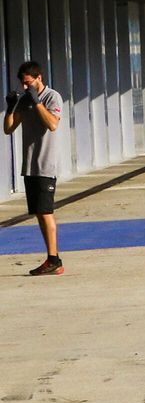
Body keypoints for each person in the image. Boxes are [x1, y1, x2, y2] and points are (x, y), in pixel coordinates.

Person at [5, 61, 65, 276]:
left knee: (46, 211)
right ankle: (51, 258)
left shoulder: (52, 97)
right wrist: (11, 107)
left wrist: (37, 102)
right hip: (29, 165)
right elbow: (8, 128)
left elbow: (53, 124)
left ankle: (54, 259)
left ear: (39, 78)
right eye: (22, 84)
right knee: (39, 212)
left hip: (45, 164)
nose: (25, 87)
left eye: (28, 83)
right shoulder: (24, 99)